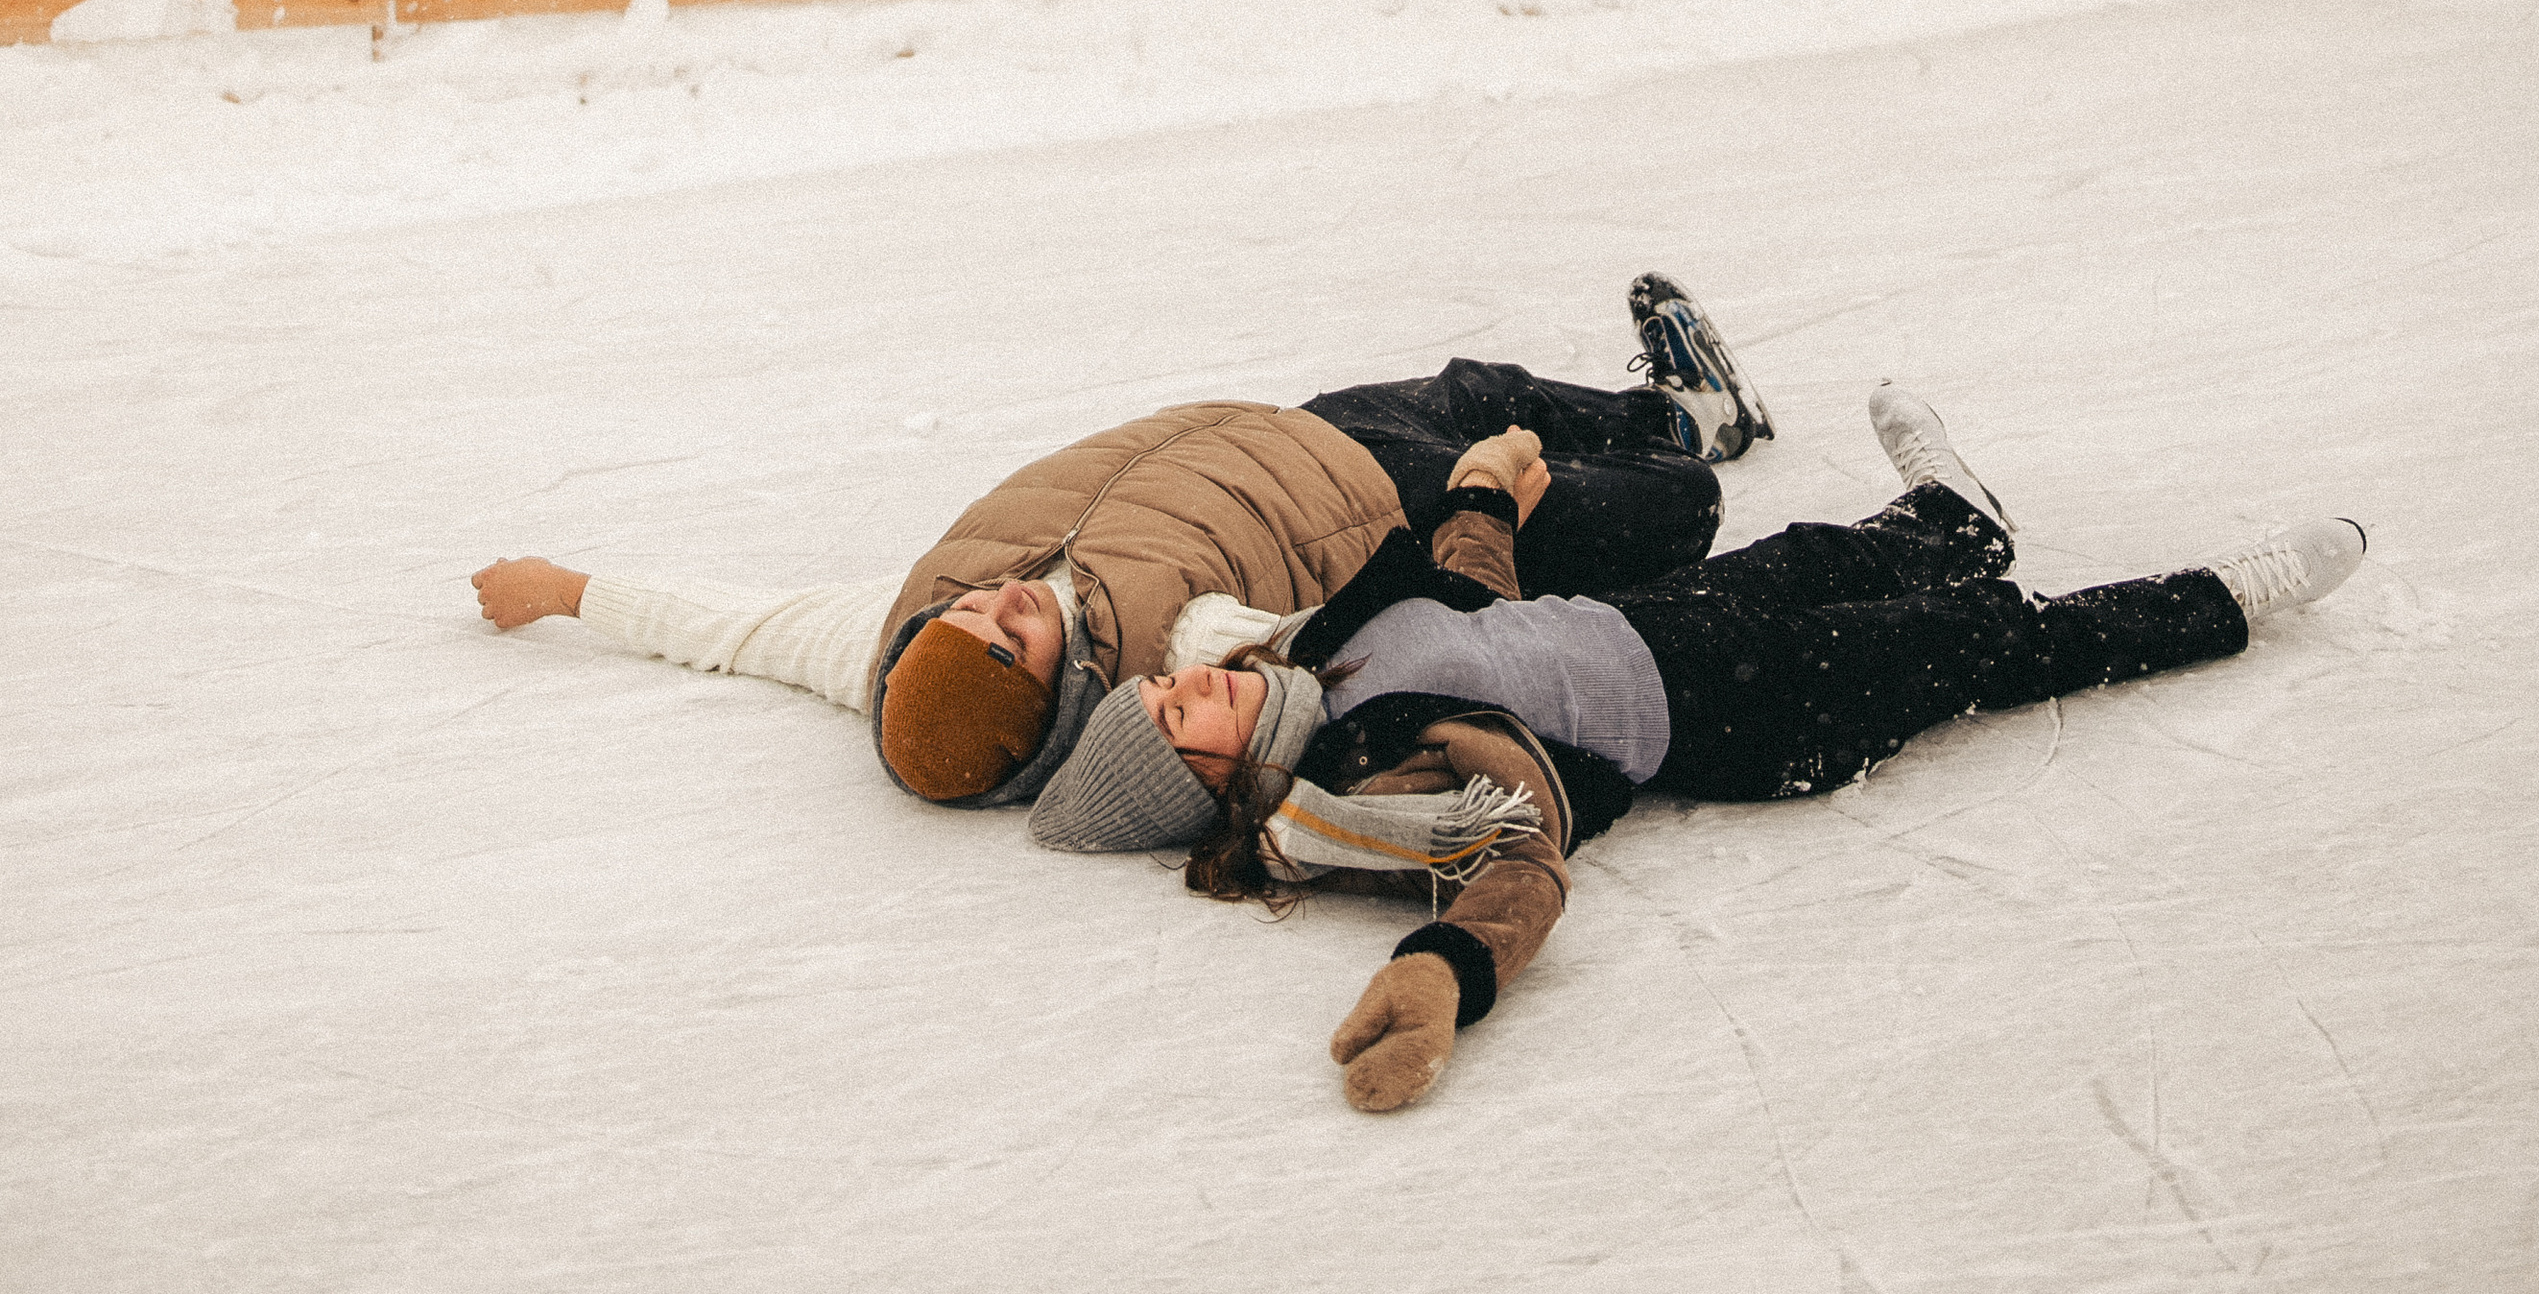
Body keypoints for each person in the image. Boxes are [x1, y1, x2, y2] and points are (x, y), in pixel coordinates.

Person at [1027, 386, 2366, 1116]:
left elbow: (1471, 595)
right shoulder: (1359, 774)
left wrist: (1488, 485)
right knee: (1988, 647)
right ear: (1213, 778)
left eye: (1169, 689)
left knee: (1849, 553)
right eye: (1181, 718)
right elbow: (1513, 853)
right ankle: (2222, 599)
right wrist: (1443, 971)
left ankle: (1954, 511)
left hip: (1652, 619)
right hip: (1736, 716)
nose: (1191, 684)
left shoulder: (1326, 657)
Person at [469, 272, 1774, 816]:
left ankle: (1662, 402)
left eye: (964, 621)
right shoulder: (1176, 659)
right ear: (1050, 703)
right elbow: (1314, 675)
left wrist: (569, 589)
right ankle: (1689, 435)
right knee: (1665, 515)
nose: (992, 604)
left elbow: (730, 628)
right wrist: (1475, 529)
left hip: (1285, 426)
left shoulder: (891, 637)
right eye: (1006, 638)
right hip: (1391, 498)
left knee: (1476, 379)